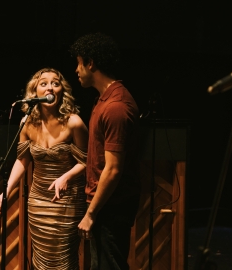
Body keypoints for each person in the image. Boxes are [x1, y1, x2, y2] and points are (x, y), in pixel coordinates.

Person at [0, 68, 88, 270]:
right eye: (43, 83)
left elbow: (87, 161)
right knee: (41, 260)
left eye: (55, 83)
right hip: (38, 201)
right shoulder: (27, 123)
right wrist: (6, 191)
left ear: (62, 90)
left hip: (67, 201)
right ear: (34, 92)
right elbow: (22, 161)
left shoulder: (74, 122)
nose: (49, 87)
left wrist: (66, 177)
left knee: (63, 259)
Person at [70, 32, 141, 270]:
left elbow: (113, 169)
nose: (76, 70)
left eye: (79, 63)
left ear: (91, 63)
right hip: (104, 205)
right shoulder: (103, 100)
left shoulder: (116, 107)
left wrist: (91, 214)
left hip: (112, 207)